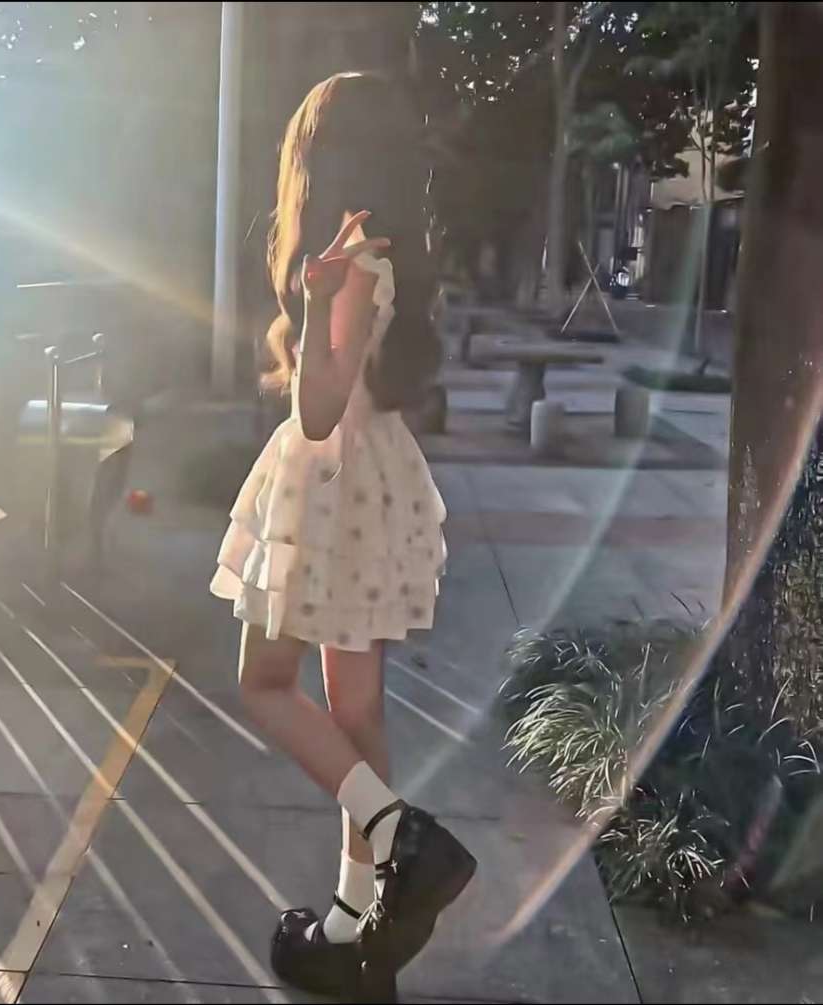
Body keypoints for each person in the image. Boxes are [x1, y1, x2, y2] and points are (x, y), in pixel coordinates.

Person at [211, 72, 475, 1001]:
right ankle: (355, 930)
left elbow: (318, 409)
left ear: (317, 159)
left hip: (328, 485)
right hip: (365, 483)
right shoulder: (378, 251)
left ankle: (405, 839)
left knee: (263, 681)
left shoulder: (353, 261)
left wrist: (316, 289)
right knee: (354, 718)